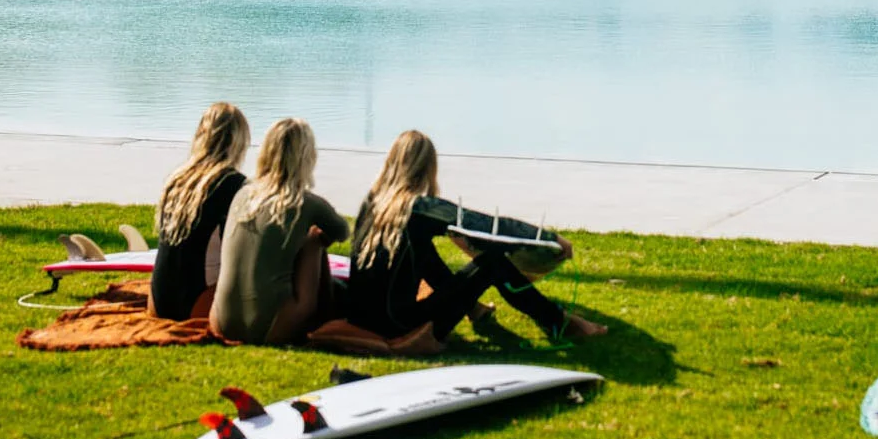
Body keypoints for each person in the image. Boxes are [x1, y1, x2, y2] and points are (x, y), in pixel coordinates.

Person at [343, 129, 606, 349]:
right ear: (427, 168)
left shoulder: (372, 203)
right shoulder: (420, 207)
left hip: (362, 319)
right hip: (399, 324)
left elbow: (426, 263)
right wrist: (550, 238)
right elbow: (490, 226)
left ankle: (474, 309)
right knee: (493, 262)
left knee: (422, 251)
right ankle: (557, 321)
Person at [210, 118, 348, 344]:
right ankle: (325, 314)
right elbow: (342, 231)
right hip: (269, 327)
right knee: (314, 238)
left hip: (221, 321)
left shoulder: (243, 195)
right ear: (306, 157)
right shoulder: (305, 202)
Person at [149, 101, 250, 320]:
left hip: (158, 300)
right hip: (197, 304)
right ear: (238, 142)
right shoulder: (234, 184)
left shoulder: (177, 179)